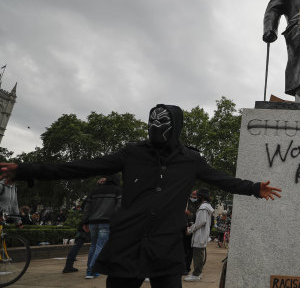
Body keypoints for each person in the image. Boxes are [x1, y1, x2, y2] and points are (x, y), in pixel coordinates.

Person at [0, 104, 282, 288]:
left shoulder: (191, 160)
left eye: (163, 123)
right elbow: (80, 166)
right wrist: (25, 170)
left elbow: (223, 180)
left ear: (176, 126)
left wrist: (254, 188)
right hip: (127, 244)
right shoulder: (132, 153)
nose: (156, 129)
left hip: (165, 246)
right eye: (153, 122)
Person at [83, 175, 122, 279]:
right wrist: (114, 217)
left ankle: (90, 269)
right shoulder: (118, 191)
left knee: (93, 245)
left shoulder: (94, 191)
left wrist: (85, 222)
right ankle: (91, 270)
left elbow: (87, 207)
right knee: (100, 246)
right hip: (106, 221)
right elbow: (120, 205)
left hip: (92, 222)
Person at [184, 188, 214, 282]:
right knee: (199, 254)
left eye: (197, 196)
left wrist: (190, 229)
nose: (196, 197)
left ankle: (196, 274)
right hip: (203, 234)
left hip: (200, 234)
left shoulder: (203, 208)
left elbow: (200, 222)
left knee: (197, 255)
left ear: (201, 197)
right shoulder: (207, 206)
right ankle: (198, 273)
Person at [183, 190, 199, 275]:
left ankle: (186, 268)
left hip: (192, 229)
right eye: (192, 195)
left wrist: (189, 214)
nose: (193, 197)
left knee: (189, 251)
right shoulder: (186, 202)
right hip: (184, 227)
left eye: (195, 196)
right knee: (183, 249)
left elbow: (197, 217)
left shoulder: (199, 204)